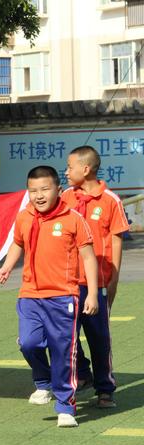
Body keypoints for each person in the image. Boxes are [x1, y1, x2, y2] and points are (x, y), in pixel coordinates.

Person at [0, 165, 98, 428]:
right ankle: (42, 382)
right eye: (32, 191)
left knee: (63, 351)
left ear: (58, 190)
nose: (38, 196)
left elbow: (88, 257)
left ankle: (66, 406)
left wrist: (93, 294)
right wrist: (6, 267)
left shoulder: (73, 219)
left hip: (64, 296)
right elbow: (18, 243)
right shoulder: (24, 216)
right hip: (29, 294)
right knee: (28, 343)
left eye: (44, 189)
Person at [62, 145, 129, 408]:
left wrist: (113, 279)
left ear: (85, 169)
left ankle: (105, 388)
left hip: (97, 283)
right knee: (65, 338)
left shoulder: (110, 200)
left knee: (99, 339)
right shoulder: (65, 197)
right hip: (67, 282)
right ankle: (81, 376)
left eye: (70, 167)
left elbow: (116, 241)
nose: (66, 172)